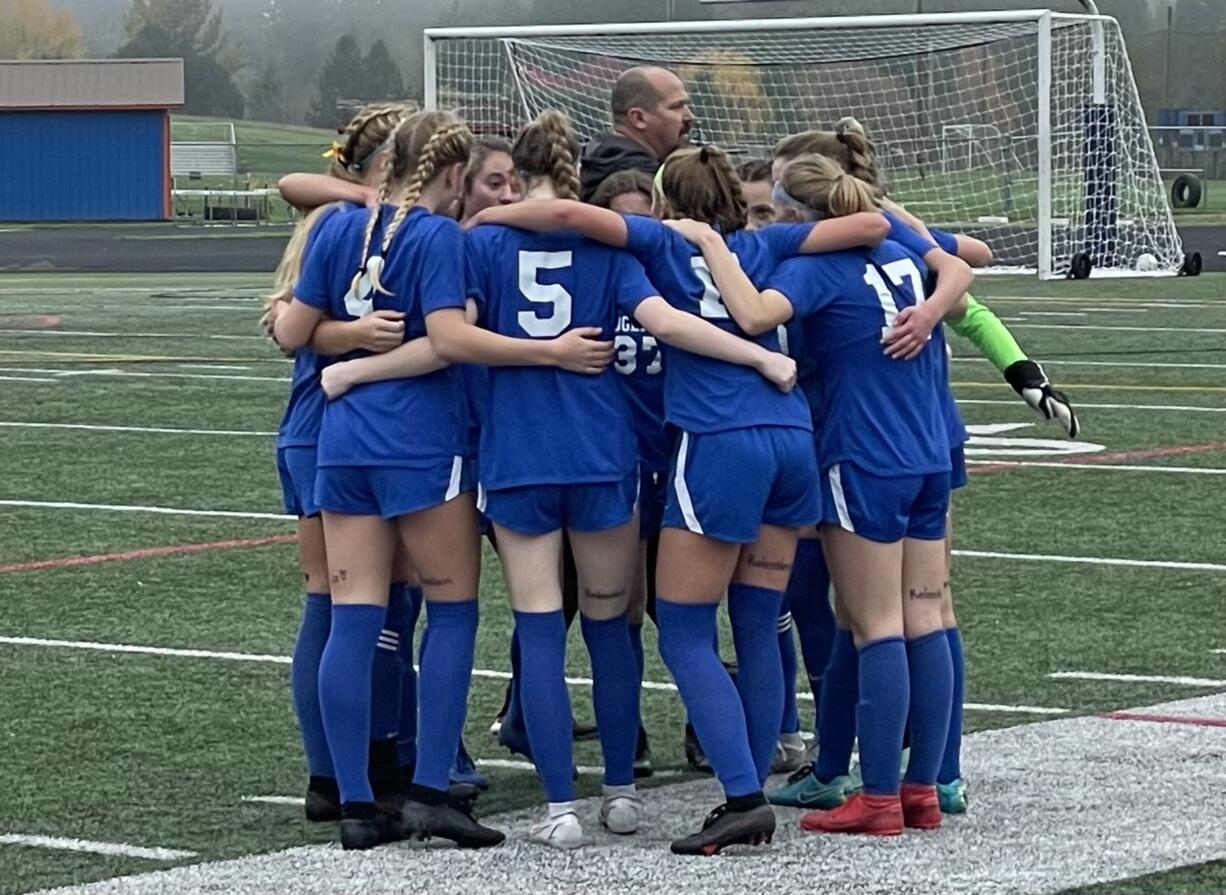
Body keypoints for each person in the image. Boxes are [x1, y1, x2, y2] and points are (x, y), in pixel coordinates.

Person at [468, 142, 887, 854]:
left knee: (682, 630)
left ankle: (738, 794)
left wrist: (487, 218)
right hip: (792, 437)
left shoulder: (653, 239)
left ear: (664, 201)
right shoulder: (767, 239)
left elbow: (595, 243)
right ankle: (746, 775)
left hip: (717, 439)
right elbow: (869, 226)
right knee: (757, 623)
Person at [272, 109, 608, 851]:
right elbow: (450, 341)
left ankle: (355, 800)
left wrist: (350, 345)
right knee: (452, 612)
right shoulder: (438, 238)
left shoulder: (335, 228)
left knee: (353, 616)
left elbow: (292, 332)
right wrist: (549, 351)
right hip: (420, 440)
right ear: (455, 176)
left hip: (343, 440)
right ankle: (429, 790)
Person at [672, 152, 974, 835]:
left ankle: (877, 796)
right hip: (928, 448)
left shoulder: (812, 267)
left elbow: (749, 315)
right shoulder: (895, 246)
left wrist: (714, 243)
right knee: (926, 616)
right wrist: (929, 313)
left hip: (864, 453)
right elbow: (963, 259)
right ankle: (923, 785)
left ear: (801, 215)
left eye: (778, 210)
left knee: (876, 627)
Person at [264, 102, 432, 822]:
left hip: (330, 425)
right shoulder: (351, 222)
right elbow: (297, 330)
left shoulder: (348, 216)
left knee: (359, 605)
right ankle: (345, 767)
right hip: (331, 423)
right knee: (346, 604)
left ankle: (354, 765)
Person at [579, 65, 695, 201]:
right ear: (638, 118)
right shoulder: (635, 183)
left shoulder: (598, 157)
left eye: (686, 105)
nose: (690, 116)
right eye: (676, 107)